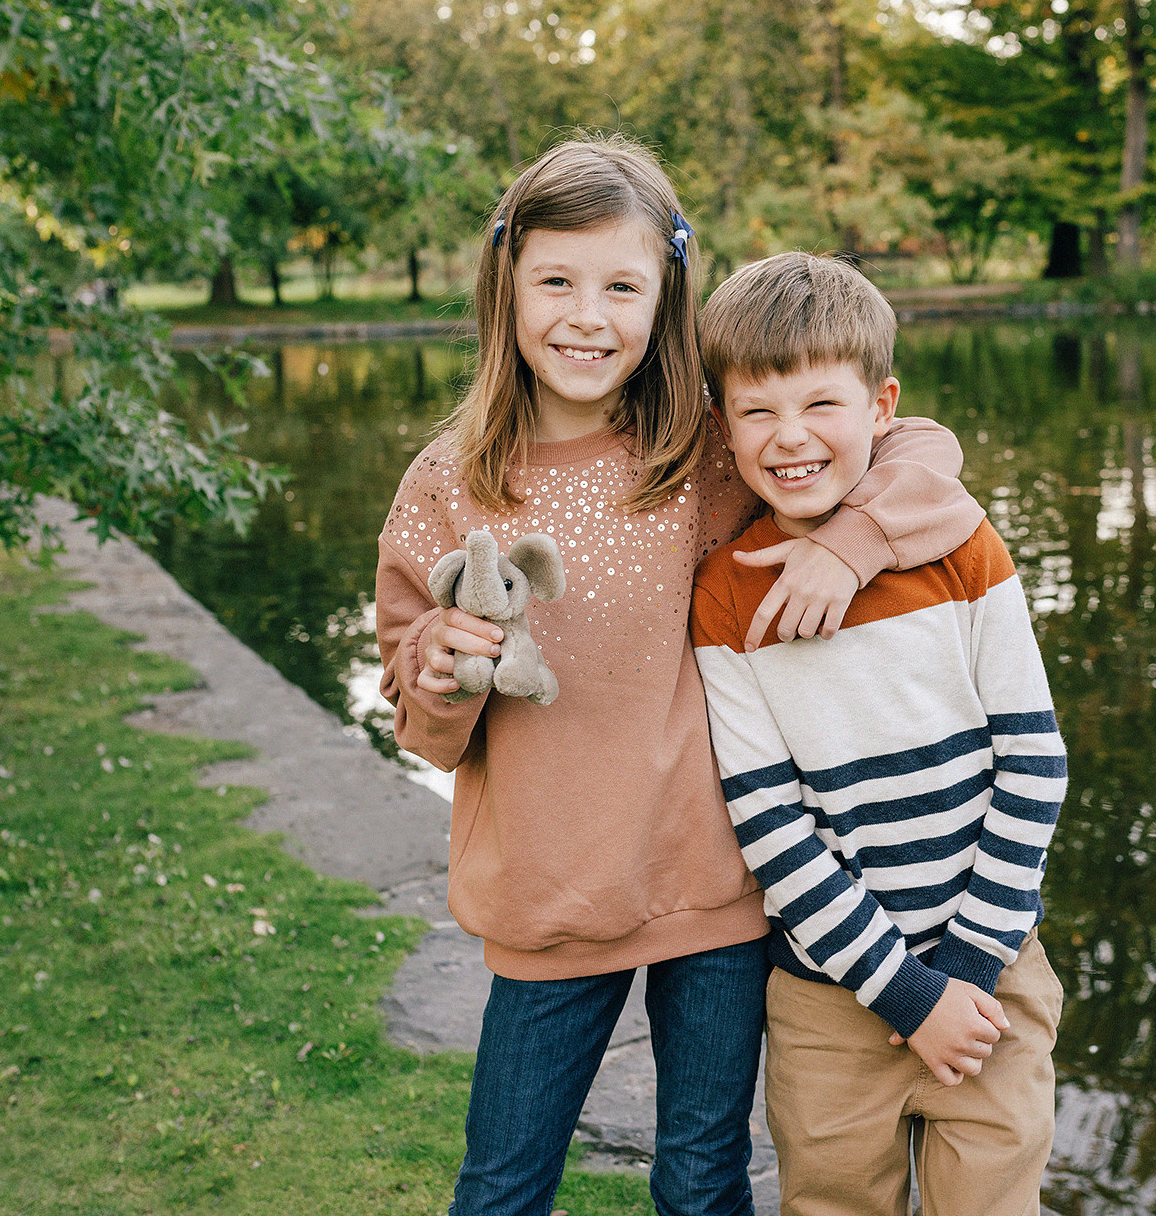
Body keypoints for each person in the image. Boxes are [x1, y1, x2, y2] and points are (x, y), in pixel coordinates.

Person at [373, 139, 985, 1216]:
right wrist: (442, 668)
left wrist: (851, 545)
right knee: (502, 1183)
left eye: (622, 287)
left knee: (703, 1179)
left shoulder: (706, 451)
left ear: (666, 300)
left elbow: (921, 449)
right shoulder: (448, 483)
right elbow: (420, 723)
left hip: (719, 890)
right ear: (505, 285)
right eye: (555, 281)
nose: (586, 316)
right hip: (551, 897)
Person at [690, 252, 1068, 1216]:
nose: (790, 436)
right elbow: (771, 828)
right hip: (830, 1002)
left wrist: (966, 973)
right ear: (723, 425)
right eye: (757, 411)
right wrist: (905, 993)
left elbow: (1033, 761)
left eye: (822, 404)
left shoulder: (963, 547)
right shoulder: (724, 597)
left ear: (882, 406)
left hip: (992, 981)